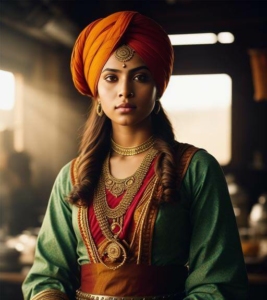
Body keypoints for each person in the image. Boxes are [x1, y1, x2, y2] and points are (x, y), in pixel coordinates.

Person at [22, 10, 248, 300]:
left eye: (140, 77)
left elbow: (219, 281)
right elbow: (46, 276)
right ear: (97, 91)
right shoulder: (73, 175)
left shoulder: (195, 168)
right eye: (111, 78)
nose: (124, 91)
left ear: (157, 88)